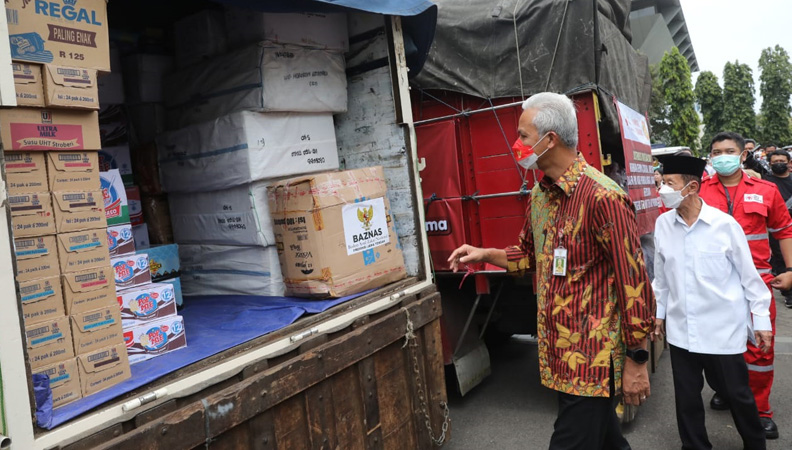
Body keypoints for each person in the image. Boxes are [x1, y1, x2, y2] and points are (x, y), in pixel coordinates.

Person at [447, 92, 655, 450]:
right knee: (607, 441)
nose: (517, 144)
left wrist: (637, 359)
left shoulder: (603, 198)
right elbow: (529, 257)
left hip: (593, 359)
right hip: (559, 356)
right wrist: (483, 253)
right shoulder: (540, 196)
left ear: (550, 139)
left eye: (523, 136)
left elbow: (633, 283)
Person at [653, 154, 772, 450]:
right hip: (681, 330)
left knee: (737, 394)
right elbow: (661, 279)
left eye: (669, 183)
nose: (662, 190)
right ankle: (694, 445)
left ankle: (755, 443)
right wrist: (658, 314)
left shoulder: (724, 226)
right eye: (663, 182)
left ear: (691, 188)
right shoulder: (663, 225)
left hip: (722, 330)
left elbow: (750, 279)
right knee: (687, 398)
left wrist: (762, 322)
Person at [699, 132, 792, 439]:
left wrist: (791, 269)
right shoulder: (698, 192)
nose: (722, 156)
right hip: (712, 284)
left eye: (728, 151)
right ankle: (727, 391)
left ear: (742, 156)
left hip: (757, 281)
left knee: (760, 350)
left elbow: (783, 230)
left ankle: (760, 410)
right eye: (716, 152)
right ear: (710, 158)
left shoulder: (765, 191)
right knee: (716, 347)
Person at [764, 150, 792, 308]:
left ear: (789, 163)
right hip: (778, 229)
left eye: (782, 160)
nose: (779, 164)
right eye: (775, 162)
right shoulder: (767, 182)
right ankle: (789, 294)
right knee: (781, 258)